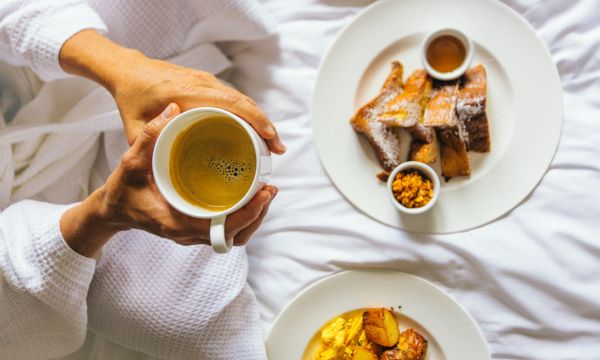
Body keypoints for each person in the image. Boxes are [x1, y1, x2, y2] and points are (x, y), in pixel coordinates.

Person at [0, 1, 284, 359]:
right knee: (179, 322)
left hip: (71, 74)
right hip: (48, 231)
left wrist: (124, 66)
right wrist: (105, 213)